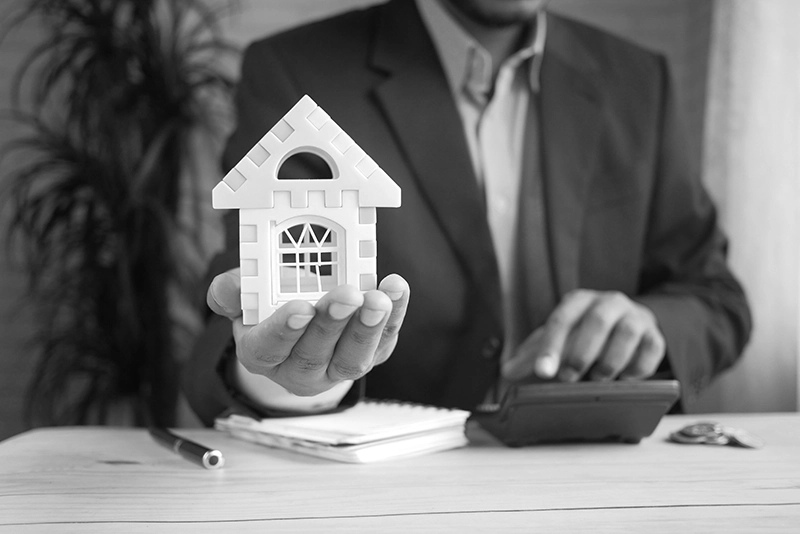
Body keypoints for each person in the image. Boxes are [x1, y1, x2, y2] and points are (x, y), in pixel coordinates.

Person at [183, 0, 752, 426]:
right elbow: (249, 304)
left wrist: (650, 327)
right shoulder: (296, 72)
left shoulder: (639, 81)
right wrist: (292, 380)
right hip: (392, 491)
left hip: (597, 469)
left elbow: (716, 298)